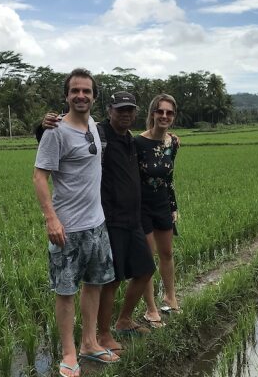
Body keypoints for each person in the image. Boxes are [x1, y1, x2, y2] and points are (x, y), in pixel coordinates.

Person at [38, 91, 158, 353]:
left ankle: (124, 320)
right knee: (110, 280)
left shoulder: (131, 140)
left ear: (135, 113)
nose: (125, 114)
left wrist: (172, 138)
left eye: (130, 110)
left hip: (133, 218)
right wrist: (43, 124)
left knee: (146, 268)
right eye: (120, 110)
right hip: (109, 218)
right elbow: (60, 134)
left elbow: (155, 139)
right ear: (110, 110)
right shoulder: (99, 132)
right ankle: (102, 335)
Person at [33, 68, 119, 377]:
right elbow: (39, 176)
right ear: (67, 96)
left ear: (95, 96)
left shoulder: (95, 127)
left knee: (94, 285)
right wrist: (51, 219)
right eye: (75, 91)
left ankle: (90, 343)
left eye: (87, 91)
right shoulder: (55, 131)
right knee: (66, 291)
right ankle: (69, 353)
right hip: (67, 229)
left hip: (97, 224)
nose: (81, 96)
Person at [136, 94, 181, 326]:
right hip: (142, 206)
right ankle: (151, 308)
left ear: (173, 117)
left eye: (169, 113)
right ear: (152, 113)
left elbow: (169, 177)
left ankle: (170, 297)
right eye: (160, 111)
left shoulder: (173, 143)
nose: (164, 116)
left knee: (167, 254)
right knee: (147, 259)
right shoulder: (138, 143)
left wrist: (174, 207)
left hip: (163, 203)